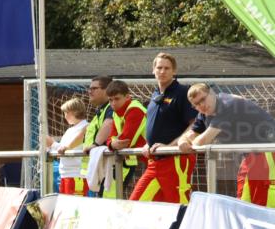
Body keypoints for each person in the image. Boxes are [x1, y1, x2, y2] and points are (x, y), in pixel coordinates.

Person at [179, 83, 275, 208]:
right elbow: (191, 133)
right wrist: (182, 141)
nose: (201, 105)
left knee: (261, 203)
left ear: (212, 93)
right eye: (196, 104)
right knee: (244, 203)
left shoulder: (227, 105)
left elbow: (203, 140)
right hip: (252, 155)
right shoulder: (205, 113)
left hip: (267, 150)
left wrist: (190, 142)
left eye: (203, 99)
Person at [131, 53, 198, 204]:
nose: (162, 71)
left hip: (175, 159)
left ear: (174, 71)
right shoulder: (155, 94)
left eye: (167, 68)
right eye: (159, 67)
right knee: (134, 204)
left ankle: (190, 228)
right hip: (155, 161)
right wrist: (148, 143)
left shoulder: (183, 92)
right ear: (153, 70)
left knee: (180, 207)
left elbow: (195, 124)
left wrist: (170, 146)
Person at [103, 80, 147, 199]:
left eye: (117, 99)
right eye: (110, 100)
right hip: (149, 160)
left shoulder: (135, 110)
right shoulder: (116, 113)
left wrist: (112, 143)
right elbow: (111, 138)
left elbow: (126, 141)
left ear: (127, 97)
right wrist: (112, 143)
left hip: (159, 159)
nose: (113, 103)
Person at [48, 97, 89, 195]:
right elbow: (62, 149)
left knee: (76, 208)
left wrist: (52, 143)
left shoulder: (86, 126)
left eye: (66, 113)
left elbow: (69, 147)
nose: (64, 116)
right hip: (65, 174)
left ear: (74, 112)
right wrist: (51, 144)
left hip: (77, 174)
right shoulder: (70, 130)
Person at [80, 76, 114, 196]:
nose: (90, 91)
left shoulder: (111, 107)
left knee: (110, 207)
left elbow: (109, 124)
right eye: (89, 88)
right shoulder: (100, 111)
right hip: (101, 166)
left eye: (94, 88)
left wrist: (95, 145)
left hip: (114, 165)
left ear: (107, 90)